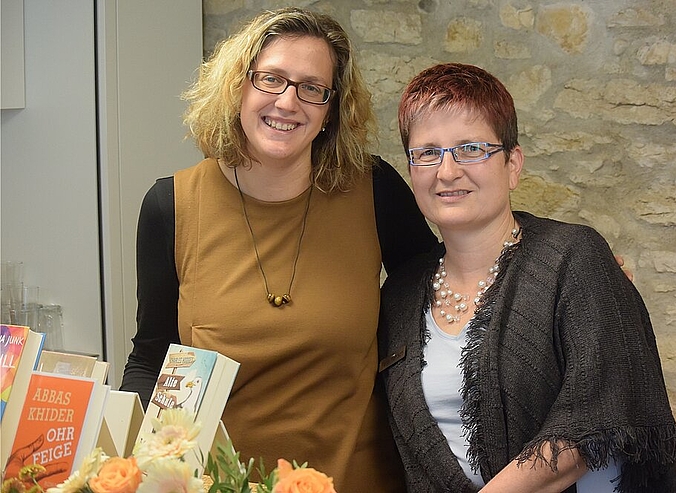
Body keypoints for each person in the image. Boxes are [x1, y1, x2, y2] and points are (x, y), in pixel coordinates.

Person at [119, 8, 438, 492]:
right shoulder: (171, 206)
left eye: (312, 88)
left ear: (331, 108)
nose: (288, 102)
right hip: (220, 483)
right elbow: (151, 357)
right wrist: (130, 471)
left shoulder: (374, 191)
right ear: (237, 87)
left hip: (356, 480)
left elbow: (439, 315)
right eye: (271, 79)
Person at [378, 63, 676, 493]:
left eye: (470, 149)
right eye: (427, 152)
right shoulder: (400, 293)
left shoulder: (573, 258)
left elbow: (597, 416)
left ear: (513, 164)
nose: (446, 171)